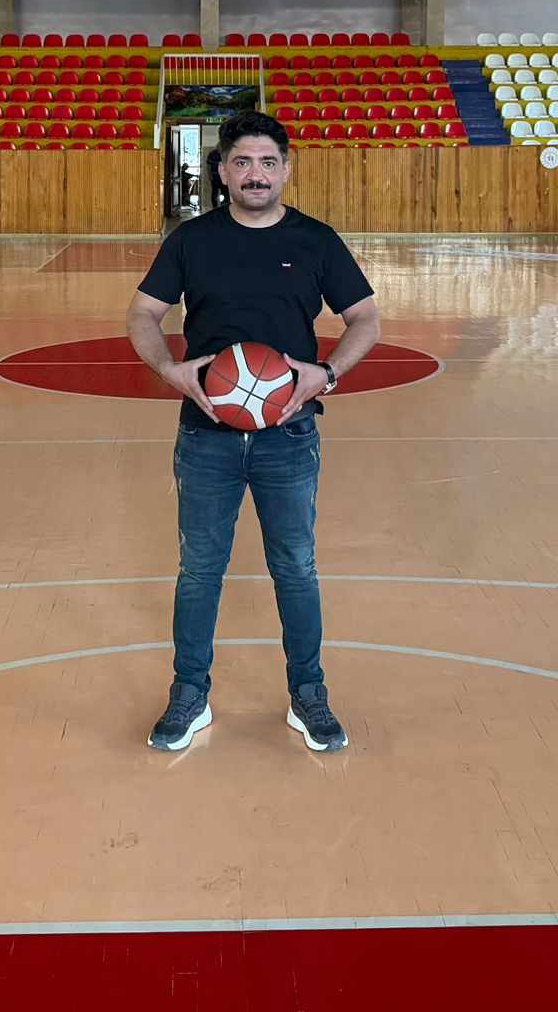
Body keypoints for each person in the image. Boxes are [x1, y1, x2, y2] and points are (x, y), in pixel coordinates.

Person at [126, 110, 382, 754]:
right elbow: (143, 314)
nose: (256, 174)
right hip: (206, 436)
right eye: (242, 162)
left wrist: (325, 374)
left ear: (286, 170)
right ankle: (189, 694)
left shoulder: (316, 240)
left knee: (295, 567)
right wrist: (169, 369)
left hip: (288, 438)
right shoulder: (192, 240)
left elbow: (366, 319)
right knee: (199, 570)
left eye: (268, 162)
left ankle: (308, 695)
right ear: (222, 171)